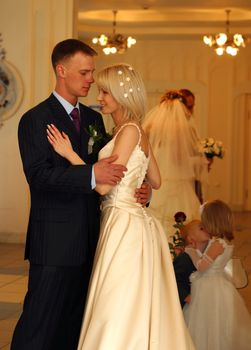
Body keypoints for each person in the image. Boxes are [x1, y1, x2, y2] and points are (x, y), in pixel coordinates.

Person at [11, 39, 152, 350]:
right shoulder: (35, 119)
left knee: (77, 325)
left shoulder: (93, 120)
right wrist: (90, 174)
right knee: (39, 323)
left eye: (92, 73)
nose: (91, 80)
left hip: (96, 238)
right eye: (85, 73)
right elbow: (38, 175)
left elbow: (115, 166)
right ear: (62, 71)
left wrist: (139, 190)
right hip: (55, 242)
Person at [47, 63, 195, 349]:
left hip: (123, 223)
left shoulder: (128, 131)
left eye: (105, 91)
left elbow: (103, 186)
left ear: (122, 93)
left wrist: (69, 154)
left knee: (116, 298)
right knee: (128, 296)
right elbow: (157, 180)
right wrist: (143, 188)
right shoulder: (135, 131)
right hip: (129, 220)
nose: (99, 97)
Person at [183, 199, 251, 350]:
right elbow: (209, 263)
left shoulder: (217, 244)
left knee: (209, 322)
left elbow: (201, 267)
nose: (203, 226)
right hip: (217, 282)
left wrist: (191, 251)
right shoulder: (222, 241)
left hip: (209, 286)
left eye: (204, 222)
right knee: (217, 322)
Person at [143, 90, 208, 237]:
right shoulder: (181, 127)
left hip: (154, 180)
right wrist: (200, 161)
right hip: (177, 181)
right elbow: (179, 159)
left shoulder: (150, 125)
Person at [173, 219, 210, 307]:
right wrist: (186, 297)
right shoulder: (184, 258)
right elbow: (175, 280)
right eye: (201, 228)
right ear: (190, 239)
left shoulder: (209, 255)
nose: (206, 230)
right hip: (190, 302)